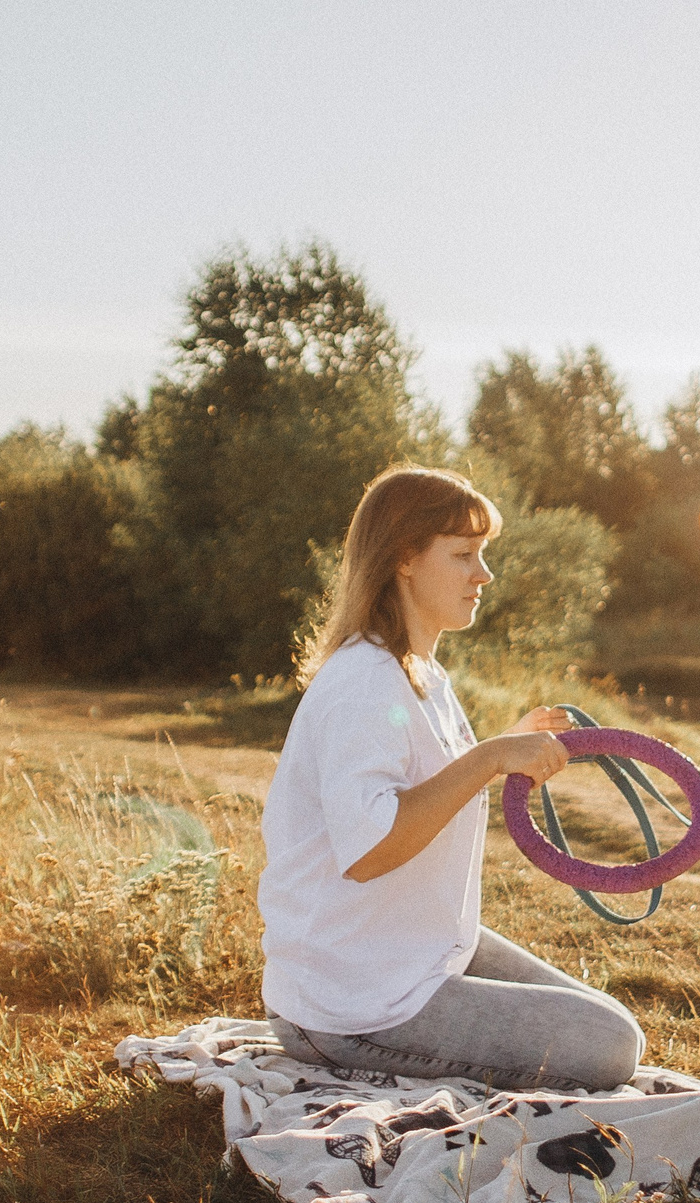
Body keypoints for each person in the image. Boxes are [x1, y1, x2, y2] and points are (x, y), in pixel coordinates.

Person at [258, 465, 647, 1091]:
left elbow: (426, 785)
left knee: (614, 1026)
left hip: (409, 953)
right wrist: (490, 756)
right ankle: (336, 1041)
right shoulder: (364, 682)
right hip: (352, 999)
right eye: (464, 555)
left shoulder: (420, 673)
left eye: (482, 554)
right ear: (405, 560)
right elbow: (370, 848)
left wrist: (507, 746)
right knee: (609, 1046)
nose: (483, 575)